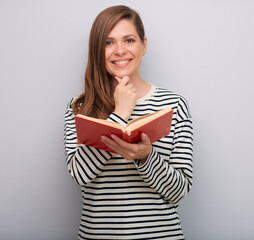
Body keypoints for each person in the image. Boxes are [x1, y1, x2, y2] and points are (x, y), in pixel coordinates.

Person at [64, 5, 193, 240]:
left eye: (129, 40)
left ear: (144, 45)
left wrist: (146, 157)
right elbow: (80, 175)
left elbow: (179, 191)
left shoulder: (174, 105)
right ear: (97, 50)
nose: (120, 51)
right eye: (108, 42)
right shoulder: (80, 107)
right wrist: (120, 113)